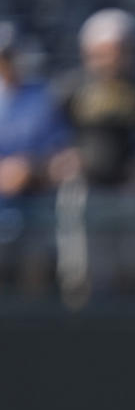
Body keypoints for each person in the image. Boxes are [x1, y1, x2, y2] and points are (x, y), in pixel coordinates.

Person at [53, 8, 135, 304]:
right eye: (106, 50)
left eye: (120, 49)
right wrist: (63, 156)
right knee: (81, 273)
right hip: (85, 189)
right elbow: (52, 131)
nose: (112, 57)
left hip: (128, 189)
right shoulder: (72, 86)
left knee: (131, 271)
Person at [0, 21, 73, 295]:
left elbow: (63, 156)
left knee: (34, 292)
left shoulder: (42, 96)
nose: (6, 62)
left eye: (9, 54)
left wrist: (31, 169)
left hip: (35, 212)